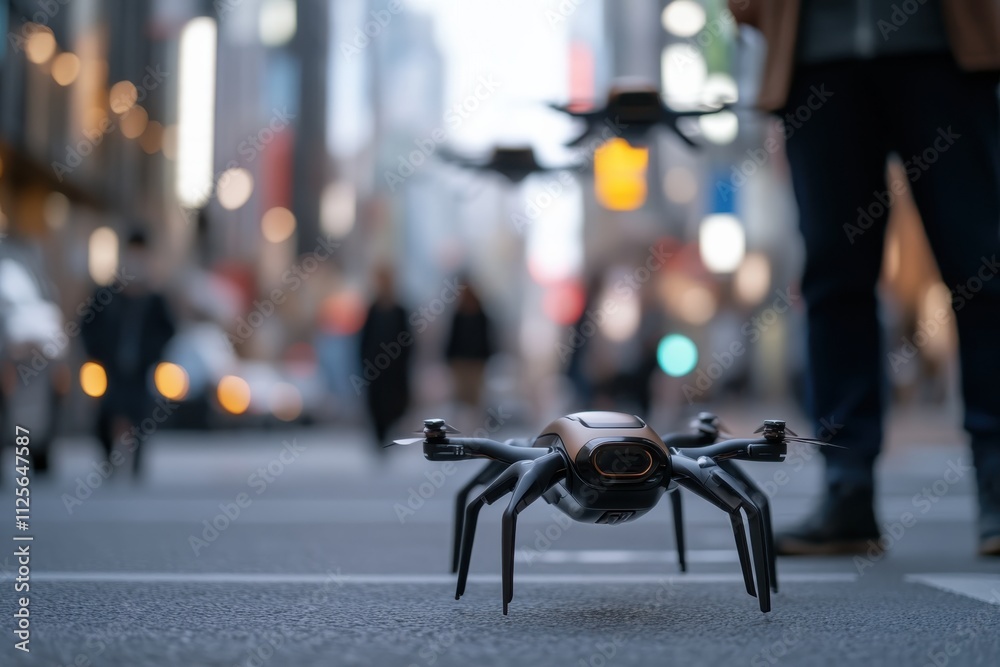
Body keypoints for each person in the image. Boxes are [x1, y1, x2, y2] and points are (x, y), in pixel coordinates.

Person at [731, 0, 1000, 556]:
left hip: (946, 46)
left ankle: (998, 482)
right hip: (816, 58)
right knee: (833, 280)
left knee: (982, 271)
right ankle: (846, 487)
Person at [81, 229, 176, 478]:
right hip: (110, 366)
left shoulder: (153, 299)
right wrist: (96, 354)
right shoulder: (106, 295)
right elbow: (87, 325)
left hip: (140, 368)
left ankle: (137, 463)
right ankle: (109, 460)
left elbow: (168, 330)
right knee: (106, 411)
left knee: (141, 413)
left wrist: (153, 354)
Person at [358, 266, 412, 456]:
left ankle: (389, 436)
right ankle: (379, 440)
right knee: (377, 406)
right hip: (375, 369)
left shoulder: (400, 310)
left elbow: (408, 341)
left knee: (395, 405)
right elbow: (364, 340)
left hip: (395, 372)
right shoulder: (372, 309)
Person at [445, 280, 495, 412]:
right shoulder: (458, 316)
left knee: (475, 397)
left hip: (477, 363)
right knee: (460, 396)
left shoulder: (481, 316)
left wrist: (485, 357)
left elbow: (486, 339)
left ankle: (473, 425)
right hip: (460, 362)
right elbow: (453, 339)